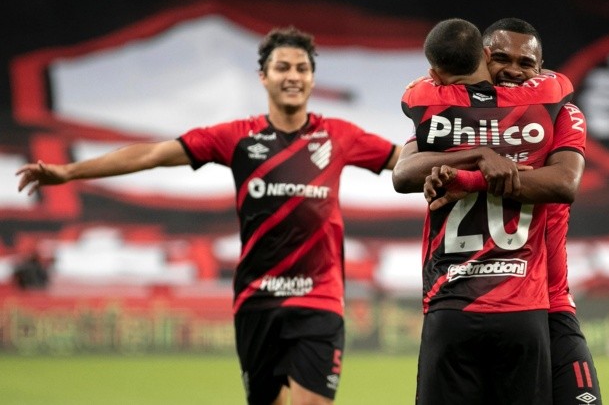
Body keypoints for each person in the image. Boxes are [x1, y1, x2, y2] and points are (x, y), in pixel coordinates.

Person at [17, 26, 400, 405]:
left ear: (313, 79)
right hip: (258, 300)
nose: (293, 76)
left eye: (302, 68)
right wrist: (69, 172)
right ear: (263, 77)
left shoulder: (339, 136)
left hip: (318, 297)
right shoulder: (237, 136)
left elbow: (404, 159)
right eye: (282, 67)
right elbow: (152, 154)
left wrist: (440, 165)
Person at [395, 17, 601, 404]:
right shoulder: (447, 117)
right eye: (503, 59)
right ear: (483, 57)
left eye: (526, 63)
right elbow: (405, 172)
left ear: (540, 69)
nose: (514, 70)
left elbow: (564, 184)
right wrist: (479, 156)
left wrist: (466, 177)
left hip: (549, 302)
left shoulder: (559, 114)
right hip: (503, 303)